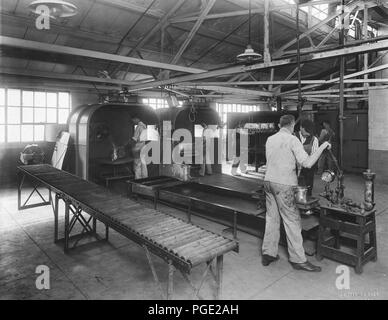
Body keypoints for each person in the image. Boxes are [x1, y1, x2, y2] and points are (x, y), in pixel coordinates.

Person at [262, 115, 331, 272]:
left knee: (272, 218)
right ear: (292, 125)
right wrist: (322, 146)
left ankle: (268, 254)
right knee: (292, 221)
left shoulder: (270, 139)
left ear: (280, 125)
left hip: (268, 182)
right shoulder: (293, 140)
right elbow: (307, 163)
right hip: (284, 184)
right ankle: (298, 259)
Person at [296, 119, 319, 196]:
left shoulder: (314, 139)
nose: (307, 135)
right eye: (305, 132)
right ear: (301, 128)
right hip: (293, 168)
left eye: (309, 133)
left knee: (307, 189)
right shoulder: (293, 137)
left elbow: (314, 156)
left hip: (307, 170)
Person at [131, 115, 148, 179]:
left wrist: (130, 146)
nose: (133, 121)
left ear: (137, 118)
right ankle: (145, 177)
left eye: (133, 119)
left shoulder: (138, 127)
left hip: (138, 147)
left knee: (137, 163)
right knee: (143, 163)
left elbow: (135, 139)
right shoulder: (144, 126)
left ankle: (138, 178)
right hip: (144, 146)